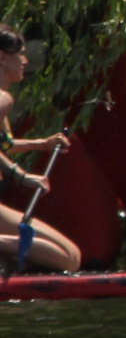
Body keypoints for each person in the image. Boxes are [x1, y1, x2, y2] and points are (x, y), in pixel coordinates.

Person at [0, 26, 80, 273]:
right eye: (20, 55)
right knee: (69, 259)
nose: (25, 61)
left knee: (73, 256)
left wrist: (42, 143)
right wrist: (21, 176)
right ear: (2, 58)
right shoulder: (3, 99)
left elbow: (4, 145)